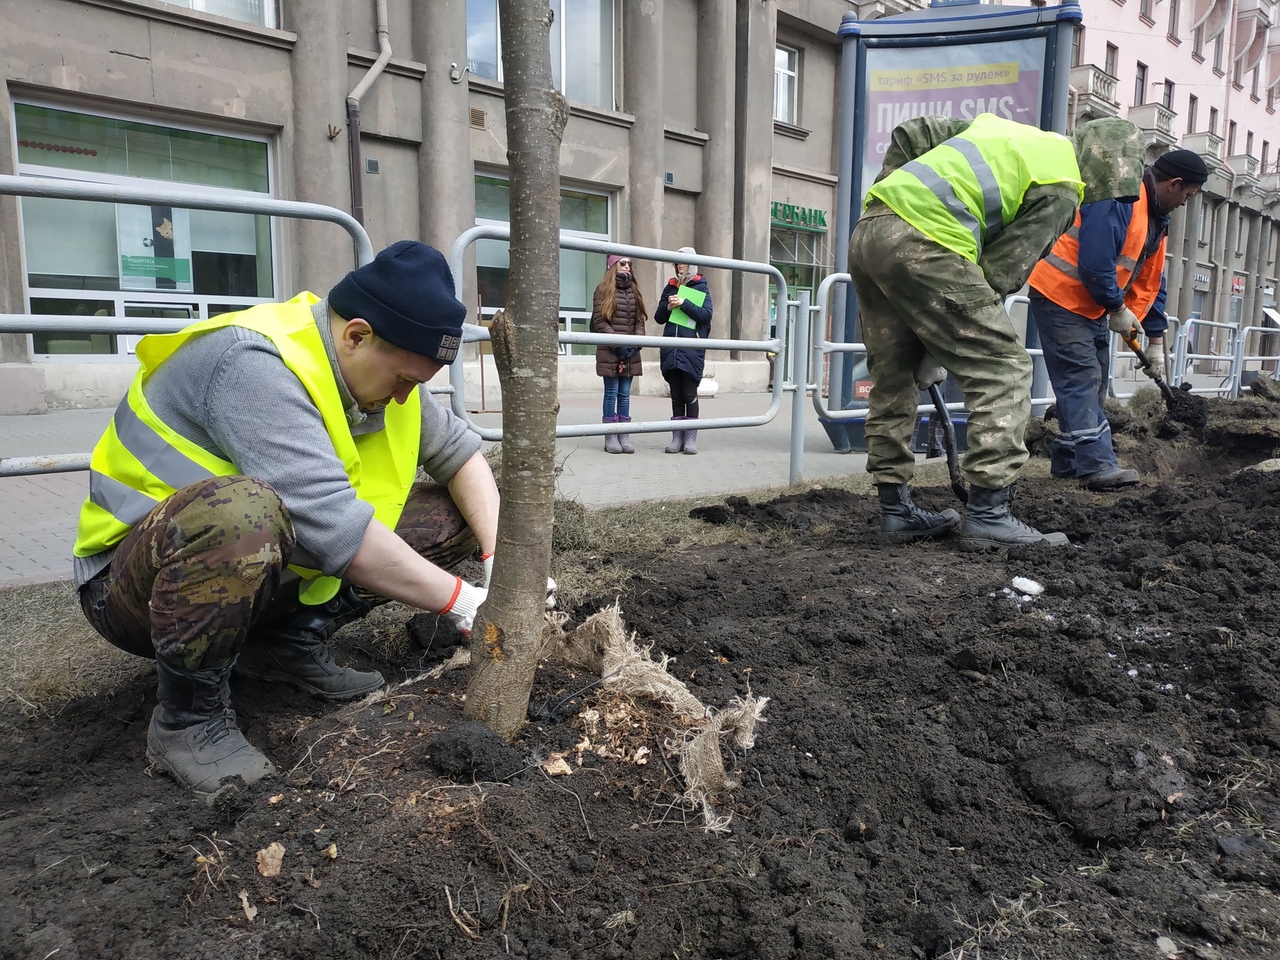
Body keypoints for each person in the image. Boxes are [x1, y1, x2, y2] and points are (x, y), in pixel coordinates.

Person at [72, 240, 501, 800]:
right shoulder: (252, 363)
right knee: (242, 513)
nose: (404, 399)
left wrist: (500, 564)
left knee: (454, 511)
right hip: (135, 588)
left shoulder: (383, 375)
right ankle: (188, 722)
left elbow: (462, 456)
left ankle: (285, 644)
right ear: (356, 334)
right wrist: (463, 601)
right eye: (402, 380)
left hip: (245, 567)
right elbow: (330, 526)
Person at [847, 113, 1148, 549]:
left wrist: (893, 199)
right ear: (1110, 167)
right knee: (1004, 370)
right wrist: (941, 347)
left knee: (893, 377)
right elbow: (1001, 271)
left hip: (872, 230)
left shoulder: (1010, 133)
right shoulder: (1063, 187)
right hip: (929, 243)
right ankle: (989, 513)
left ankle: (896, 512)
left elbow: (914, 132)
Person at [1027, 148, 1207, 491]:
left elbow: (1150, 279)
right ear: (1175, 184)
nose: (1187, 201)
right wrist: (1116, 307)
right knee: (1080, 376)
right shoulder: (1121, 196)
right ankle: (1097, 465)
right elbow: (1095, 262)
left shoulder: (1156, 216)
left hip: (1091, 303)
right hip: (1061, 294)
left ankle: (1068, 463)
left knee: (1093, 381)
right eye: (1189, 194)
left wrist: (1155, 340)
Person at [654, 247, 713, 455]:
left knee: (689, 393)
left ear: (691, 264)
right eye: (676, 262)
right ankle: (676, 438)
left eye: (683, 261)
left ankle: (690, 440)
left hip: (691, 349)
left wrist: (684, 303)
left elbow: (706, 316)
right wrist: (668, 307)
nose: (679, 265)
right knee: (676, 394)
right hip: (671, 348)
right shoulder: (670, 287)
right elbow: (658, 317)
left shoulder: (701, 287)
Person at [591, 254, 648, 454]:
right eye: (623, 263)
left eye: (630, 264)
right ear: (613, 265)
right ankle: (611, 437)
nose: (627, 267)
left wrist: (635, 343)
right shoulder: (602, 290)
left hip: (630, 352)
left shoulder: (634, 290)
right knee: (611, 393)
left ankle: (624, 435)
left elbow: (640, 320)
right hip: (610, 351)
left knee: (625, 395)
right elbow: (599, 322)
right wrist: (619, 344)